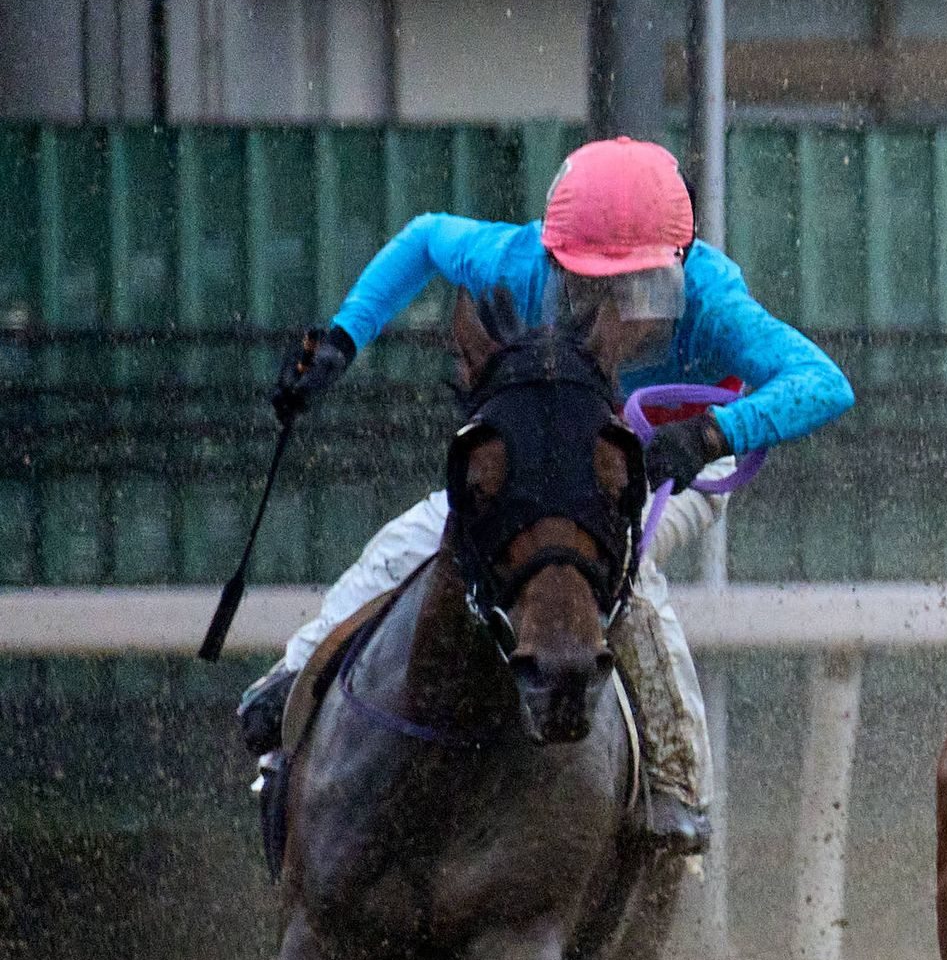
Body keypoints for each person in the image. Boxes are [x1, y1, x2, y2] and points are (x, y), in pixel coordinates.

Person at [237, 136, 854, 853]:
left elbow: (824, 383)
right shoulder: (519, 261)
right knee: (419, 535)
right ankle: (296, 674)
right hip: (557, 461)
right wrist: (345, 337)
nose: (614, 315)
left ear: (678, 267)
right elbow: (425, 239)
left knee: (624, 572)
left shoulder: (713, 301)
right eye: (586, 289)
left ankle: (677, 780)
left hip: (674, 465)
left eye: (637, 293)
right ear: (554, 261)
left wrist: (715, 432)